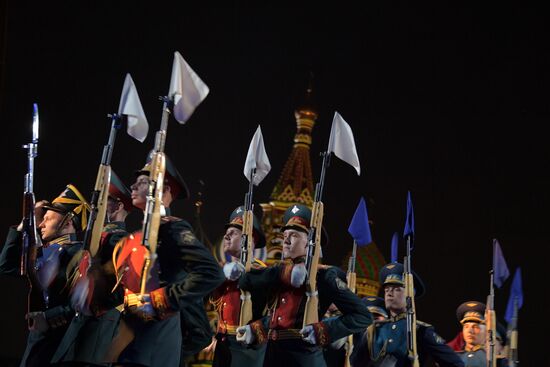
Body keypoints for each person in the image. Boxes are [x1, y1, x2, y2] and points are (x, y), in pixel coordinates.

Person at [109, 153, 224, 367]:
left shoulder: (172, 228)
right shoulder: (135, 238)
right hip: (129, 346)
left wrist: (161, 301)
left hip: (154, 347)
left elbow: (211, 273)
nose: (132, 186)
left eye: (142, 182)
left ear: (165, 188)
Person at [237, 204, 372, 367]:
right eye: (285, 234)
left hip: (304, 359)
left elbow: (362, 316)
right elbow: (280, 319)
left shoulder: (323, 276)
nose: (285, 240)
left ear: (310, 242)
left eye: (293, 235)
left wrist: (322, 330)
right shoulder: (279, 274)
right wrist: (254, 330)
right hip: (272, 357)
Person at [0, 184, 90, 367]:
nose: (41, 224)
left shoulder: (78, 253)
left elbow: (81, 302)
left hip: (60, 343)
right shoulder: (48, 251)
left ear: (68, 222)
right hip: (39, 341)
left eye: (47, 219)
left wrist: (48, 318)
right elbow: (6, 265)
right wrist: (26, 220)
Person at [52, 171, 133, 366]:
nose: (98, 206)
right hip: (81, 322)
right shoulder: (97, 237)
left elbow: (122, 286)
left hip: (99, 324)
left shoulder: (120, 240)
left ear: (118, 206)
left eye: (105, 200)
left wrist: (96, 304)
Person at [350, 262, 464, 367]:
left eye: (397, 289)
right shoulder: (373, 330)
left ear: (410, 295)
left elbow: (455, 363)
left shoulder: (420, 330)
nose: (389, 293)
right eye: (387, 289)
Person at [210, 205, 268, 367]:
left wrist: (254, 332)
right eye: (227, 232)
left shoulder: (262, 273)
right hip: (222, 346)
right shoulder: (223, 271)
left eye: (234, 232)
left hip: (247, 349)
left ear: (250, 239)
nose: (226, 236)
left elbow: (274, 316)